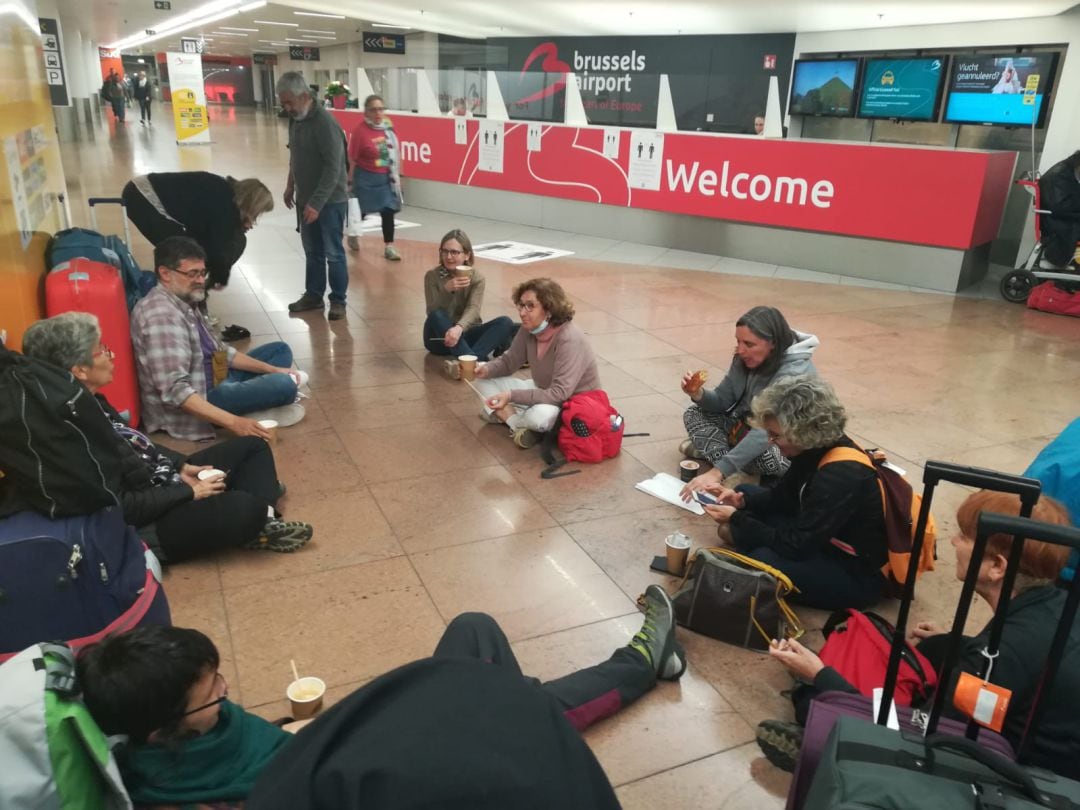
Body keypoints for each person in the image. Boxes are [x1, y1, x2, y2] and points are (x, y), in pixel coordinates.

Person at [77, 587, 686, 807]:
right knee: (527, 709)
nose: (226, 689)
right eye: (210, 689)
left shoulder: (195, 736)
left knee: (474, 630)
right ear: (160, 731)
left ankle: (510, 709)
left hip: (348, 747)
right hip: (390, 779)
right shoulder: (191, 798)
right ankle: (637, 664)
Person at [757, 491, 1080, 779]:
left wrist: (821, 675)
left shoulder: (1000, 651)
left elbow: (919, 734)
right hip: (1052, 740)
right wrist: (957, 645)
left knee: (818, 693)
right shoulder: (1056, 605)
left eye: (965, 536)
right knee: (939, 648)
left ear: (997, 566)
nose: (953, 542)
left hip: (1027, 775)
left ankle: (825, 746)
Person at [22, 313, 313, 560]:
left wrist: (180, 466)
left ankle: (262, 522)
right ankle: (258, 512)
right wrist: (188, 492)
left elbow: (138, 444)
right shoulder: (70, 434)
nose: (111, 356)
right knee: (242, 504)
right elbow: (122, 507)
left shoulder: (89, 400)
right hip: (149, 525)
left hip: (159, 481)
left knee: (252, 447)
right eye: (102, 350)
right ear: (80, 370)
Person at [688, 375, 887, 611]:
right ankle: (744, 534)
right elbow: (783, 497)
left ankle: (746, 542)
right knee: (744, 491)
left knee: (763, 559)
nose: (771, 442)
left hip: (855, 571)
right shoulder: (812, 447)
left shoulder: (841, 475)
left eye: (775, 435)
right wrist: (742, 502)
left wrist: (736, 518)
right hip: (821, 536)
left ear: (802, 431)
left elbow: (797, 545)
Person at [131, 236, 305, 442]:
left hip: (216, 376)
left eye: (202, 273)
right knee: (284, 384)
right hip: (202, 397)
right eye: (192, 274)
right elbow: (175, 391)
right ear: (165, 273)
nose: (200, 281)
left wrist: (273, 369)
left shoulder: (184, 300)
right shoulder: (161, 317)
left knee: (280, 351)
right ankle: (239, 413)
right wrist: (235, 424)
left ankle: (252, 402)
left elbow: (221, 352)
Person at [679, 305, 818, 487]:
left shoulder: (793, 375)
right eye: (739, 342)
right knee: (694, 413)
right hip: (743, 427)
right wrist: (698, 394)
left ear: (773, 343)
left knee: (769, 453)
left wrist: (717, 472)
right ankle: (736, 469)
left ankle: (720, 458)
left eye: (749, 344)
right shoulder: (744, 358)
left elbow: (765, 432)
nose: (741, 350)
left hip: (778, 440)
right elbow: (722, 401)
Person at [473, 278, 601, 449]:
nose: (522, 312)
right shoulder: (529, 329)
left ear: (549, 309)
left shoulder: (569, 339)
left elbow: (559, 394)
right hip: (542, 390)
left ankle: (508, 418)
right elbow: (510, 362)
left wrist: (511, 396)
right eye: (521, 305)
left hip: (570, 405)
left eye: (530, 306)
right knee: (482, 380)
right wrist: (485, 369)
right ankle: (520, 425)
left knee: (540, 416)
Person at [276, 71, 350, 321]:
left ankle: (338, 300)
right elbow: (295, 155)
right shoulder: (295, 119)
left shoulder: (325, 124)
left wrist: (317, 203)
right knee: (312, 252)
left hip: (330, 201)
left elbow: (334, 168)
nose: (286, 108)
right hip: (307, 199)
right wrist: (290, 185)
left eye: (290, 103)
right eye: (283, 103)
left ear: (305, 96)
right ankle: (314, 295)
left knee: (333, 253)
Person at [121, 172, 274, 290]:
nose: (254, 219)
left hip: (142, 191)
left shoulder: (225, 195)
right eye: (256, 213)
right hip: (142, 196)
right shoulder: (224, 204)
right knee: (184, 252)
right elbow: (217, 249)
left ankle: (186, 294)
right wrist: (219, 277)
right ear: (250, 204)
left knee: (194, 252)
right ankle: (174, 297)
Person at [423, 228, 517, 375]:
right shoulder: (432, 276)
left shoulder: (477, 278)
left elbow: (474, 308)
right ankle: (476, 362)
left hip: (464, 333)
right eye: (444, 251)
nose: (448, 256)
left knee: (505, 322)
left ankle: (469, 361)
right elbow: (431, 310)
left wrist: (459, 328)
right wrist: (446, 291)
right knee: (437, 314)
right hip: (439, 338)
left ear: (467, 255)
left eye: (454, 252)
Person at [346, 93, 402, 261]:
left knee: (388, 211)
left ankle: (389, 246)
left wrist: (399, 176)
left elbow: (395, 154)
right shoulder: (360, 131)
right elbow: (352, 158)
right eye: (373, 110)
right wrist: (349, 181)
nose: (378, 113)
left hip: (385, 179)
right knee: (361, 212)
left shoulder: (388, 130)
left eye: (380, 109)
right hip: (365, 179)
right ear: (366, 113)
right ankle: (353, 234)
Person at [1037, 149, 1080, 269]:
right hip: (1058, 223)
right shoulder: (1059, 176)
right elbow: (1061, 208)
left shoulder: (1067, 171)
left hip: (1060, 219)